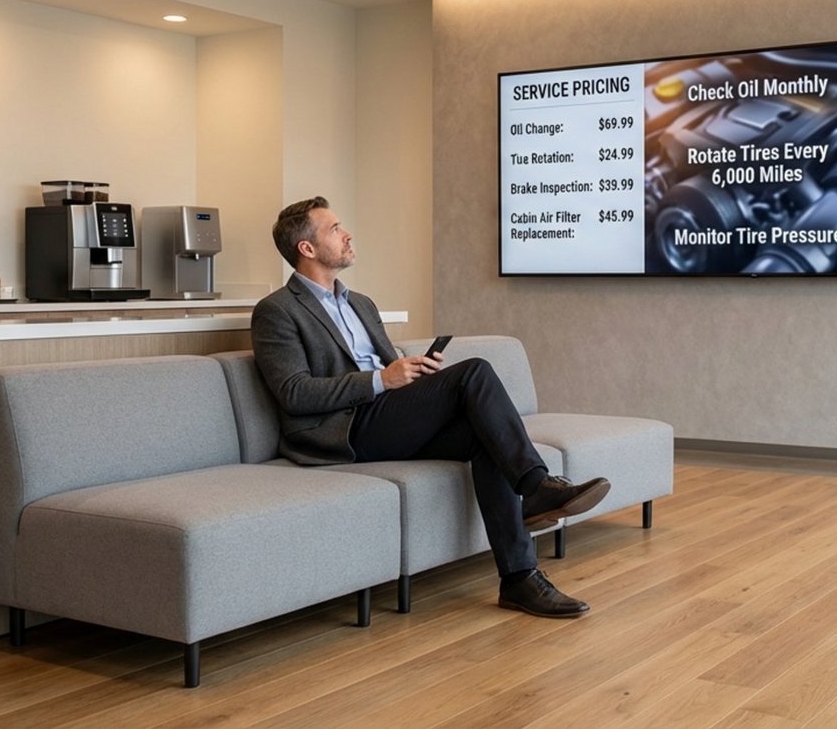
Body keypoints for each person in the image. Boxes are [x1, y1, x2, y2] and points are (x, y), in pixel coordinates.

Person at [251, 196, 609, 618]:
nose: (346, 234)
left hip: (385, 414)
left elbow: (386, 368)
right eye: (333, 229)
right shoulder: (276, 311)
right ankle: (535, 487)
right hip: (342, 429)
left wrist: (412, 374)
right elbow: (294, 393)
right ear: (306, 249)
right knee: (473, 372)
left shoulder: (359, 303)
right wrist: (382, 380)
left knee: (485, 435)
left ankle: (519, 579)